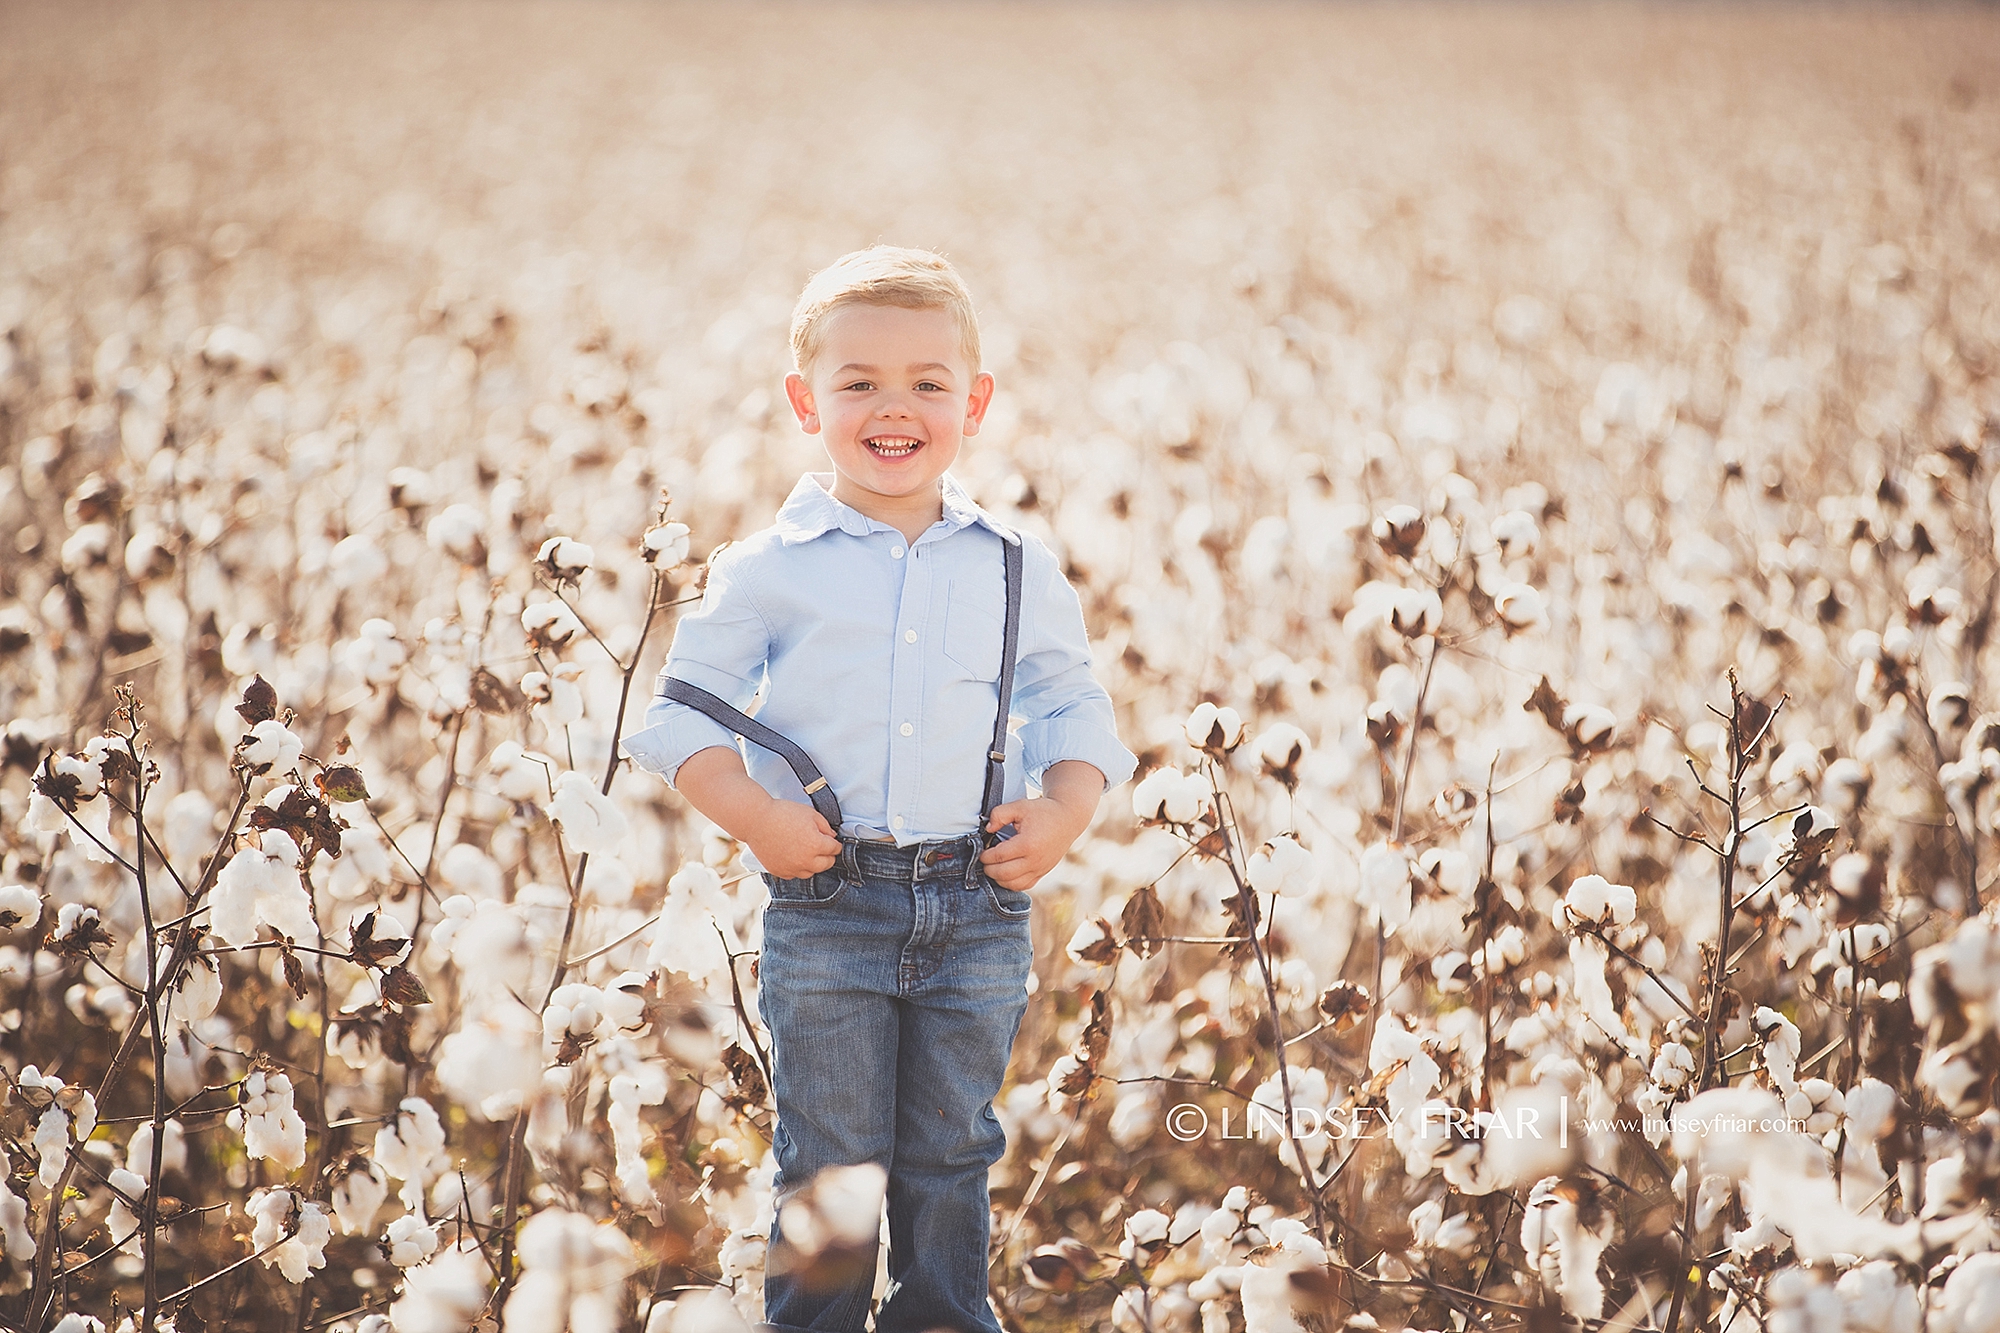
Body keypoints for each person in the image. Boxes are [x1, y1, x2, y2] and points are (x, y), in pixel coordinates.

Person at [620, 245, 1136, 1333]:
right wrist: (756, 817)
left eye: (927, 383)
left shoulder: (1011, 563)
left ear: (974, 403)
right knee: (831, 1166)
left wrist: (1064, 808)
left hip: (977, 904)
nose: (892, 407)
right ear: (807, 402)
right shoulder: (768, 565)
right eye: (858, 383)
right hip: (830, 906)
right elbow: (674, 714)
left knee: (952, 1151)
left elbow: (1070, 702)